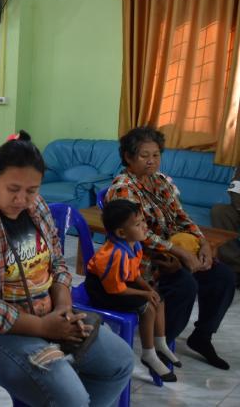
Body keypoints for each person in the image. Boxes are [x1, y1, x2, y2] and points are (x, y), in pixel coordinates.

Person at [0, 135, 134, 407]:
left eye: (31, 190)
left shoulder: (36, 206)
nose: (22, 199)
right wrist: (44, 327)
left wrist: (63, 308)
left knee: (119, 362)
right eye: (13, 189)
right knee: (72, 399)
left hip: (47, 314)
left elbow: (57, 263)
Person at [106, 126, 235, 369]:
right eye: (144, 155)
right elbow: (138, 234)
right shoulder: (123, 189)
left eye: (156, 155)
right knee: (185, 284)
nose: (151, 161)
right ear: (128, 157)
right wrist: (179, 251)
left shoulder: (161, 182)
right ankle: (161, 344)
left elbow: (181, 216)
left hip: (172, 253)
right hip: (142, 261)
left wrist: (203, 243)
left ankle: (202, 337)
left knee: (223, 277)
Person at [86, 199, 179, 381]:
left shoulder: (134, 245)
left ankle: (160, 343)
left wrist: (149, 289)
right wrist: (145, 294)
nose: (145, 226)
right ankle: (148, 354)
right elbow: (116, 290)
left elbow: (134, 275)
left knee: (158, 298)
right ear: (121, 233)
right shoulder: (114, 255)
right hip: (102, 290)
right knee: (147, 307)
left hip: (119, 284)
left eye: (143, 221)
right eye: (138, 224)